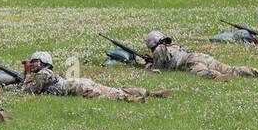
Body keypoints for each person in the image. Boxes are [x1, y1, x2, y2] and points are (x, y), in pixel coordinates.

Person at [20, 51, 168, 102]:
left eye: (35, 62)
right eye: (31, 62)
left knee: (106, 96)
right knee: (112, 90)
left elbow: (29, 91)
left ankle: (131, 100)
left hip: (76, 88)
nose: (32, 64)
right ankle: (149, 92)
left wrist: (26, 73)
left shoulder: (43, 74)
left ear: (44, 63)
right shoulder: (47, 73)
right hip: (80, 83)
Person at [145, 31, 258, 81]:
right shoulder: (172, 46)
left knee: (204, 73)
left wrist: (147, 65)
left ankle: (219, 77)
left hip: (190, 63)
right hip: (200, 56)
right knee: (231, 69)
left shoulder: (159, 50)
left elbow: (159, 70)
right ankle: (257, 72)